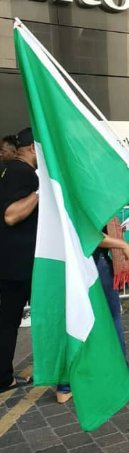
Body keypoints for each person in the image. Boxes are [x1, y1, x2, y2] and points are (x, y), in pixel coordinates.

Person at [56, 220, 129, 403]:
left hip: (68, 263)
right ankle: (122, 373)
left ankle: (65, 386)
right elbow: (90, 233)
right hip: (93, 262)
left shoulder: (63, 194)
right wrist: (121, 244)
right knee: (112, 319)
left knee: (74, 322)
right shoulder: (83, 195)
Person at [0, 128, 38, 393]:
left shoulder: (7, 170)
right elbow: (11, 215)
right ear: (33, 149)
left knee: (7, 322)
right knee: (49, 317)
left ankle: (4, 378)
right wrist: (40, 192)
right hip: (22, 265)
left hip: (11, 262)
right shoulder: (22, 172)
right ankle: (55, 373)